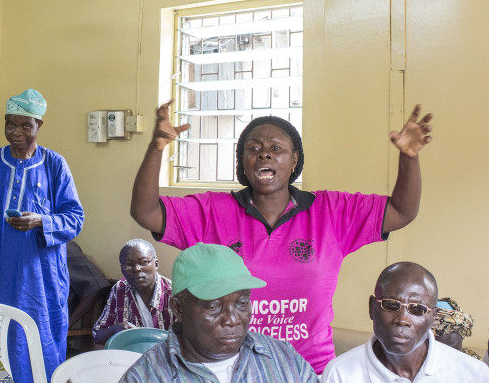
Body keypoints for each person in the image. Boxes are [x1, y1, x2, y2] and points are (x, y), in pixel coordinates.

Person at [130, 102, 433, 372]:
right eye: (254, 148)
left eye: (276, 148)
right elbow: (146, 212)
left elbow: (400, 211)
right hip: (232, 368)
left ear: (294, 160)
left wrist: (409, 158)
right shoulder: (212, 210)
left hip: (308, 369)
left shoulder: (330, 211)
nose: (264, 153)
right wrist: (156, 148)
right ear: (243, 162)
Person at [0, 88, 84, 382]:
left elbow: (75, 219)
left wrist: (42, 221)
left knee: (42, 345)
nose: (16, 132)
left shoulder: (54, 165)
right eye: (10, 124)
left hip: (41, 282)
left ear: (39, 126)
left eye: (26, 125)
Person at [120, 242, 317, 382]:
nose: (232, 320)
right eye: (213, 307)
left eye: (241, 303)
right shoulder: (145, 376)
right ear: (178, 308)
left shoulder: (284, 358)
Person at [321, 262, 489, 382]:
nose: (402, 320)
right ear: (372, 308)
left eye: (417, 309)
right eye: (390, 305)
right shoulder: (339, 374)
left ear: (433, 318)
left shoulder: (473, 374)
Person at [93, 238, 175, 347]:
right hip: (130, 357)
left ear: (156, 264)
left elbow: (190, 342)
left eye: (144, 262)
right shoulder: (120, 289)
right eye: (128, 264)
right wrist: (116, 329)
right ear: (121, 268)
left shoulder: (174, 293)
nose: (136, 269)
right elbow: (98, 336)